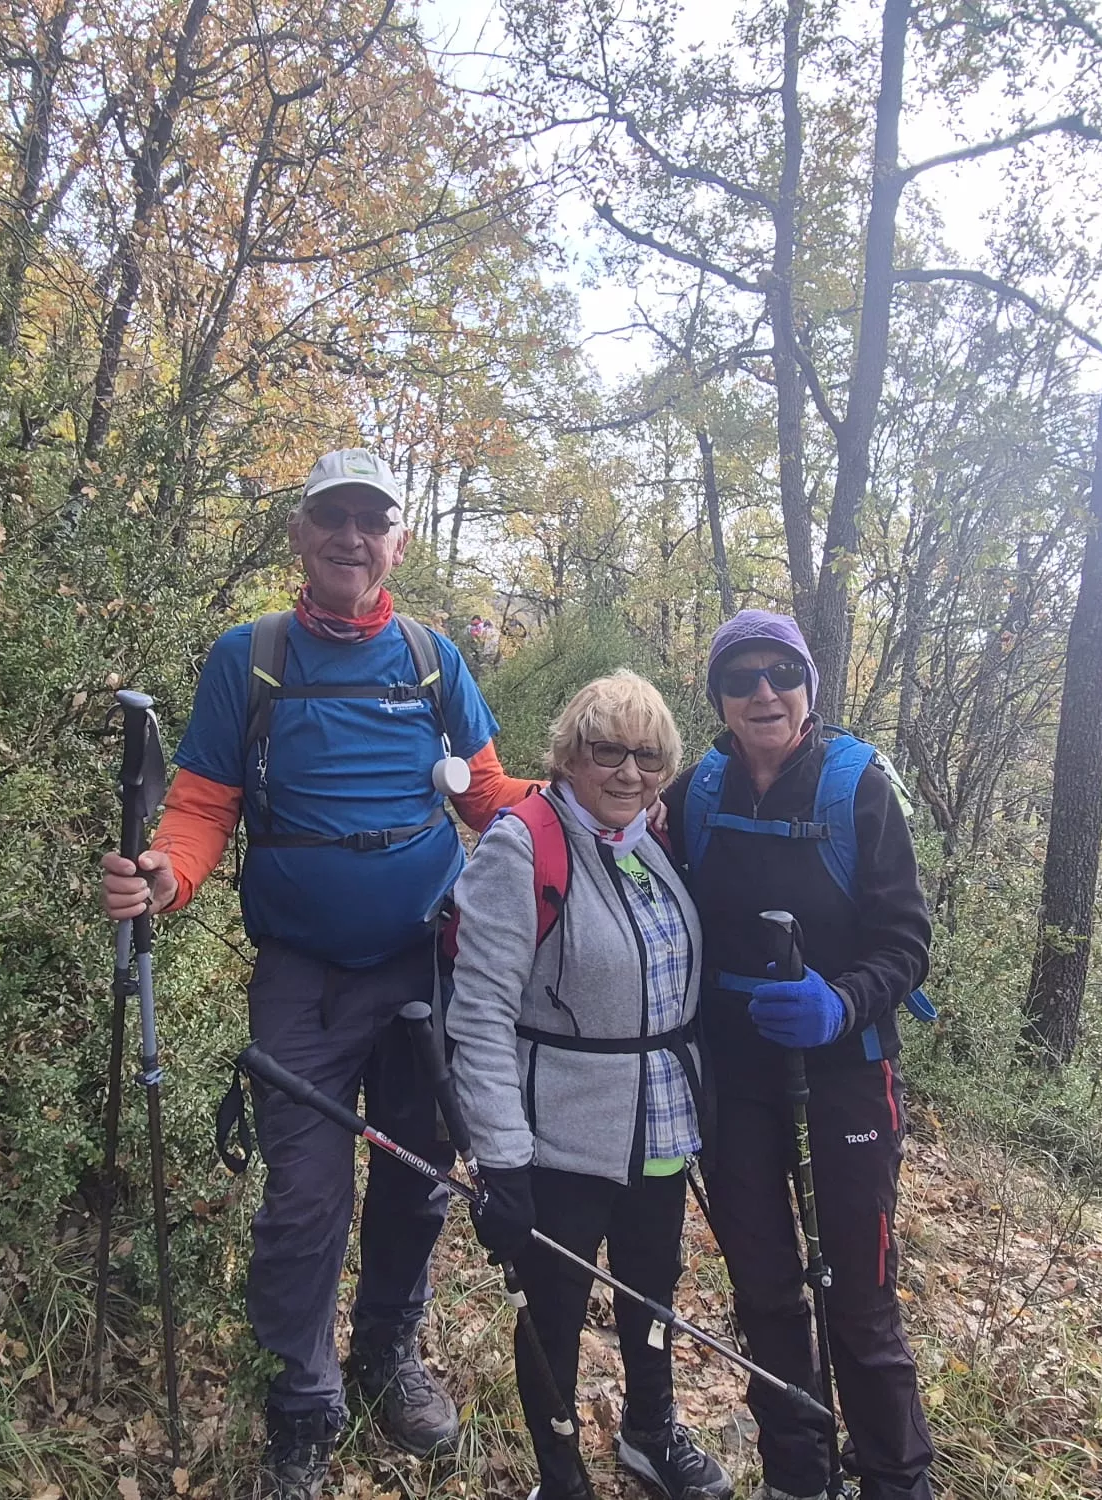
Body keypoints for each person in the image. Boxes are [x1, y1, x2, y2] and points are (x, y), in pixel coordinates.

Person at [100, 447, 538, 1500]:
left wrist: (605, 807)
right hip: (301, 976)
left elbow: (486, 798)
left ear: (397, 540)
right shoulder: (249, 658)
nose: (351, 537)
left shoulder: (433, 659)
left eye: (369, 520)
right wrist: (168, 875)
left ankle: (385, 1356)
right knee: (302, 1201)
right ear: (298, 535)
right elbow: (202, 805)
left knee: (416, 1183)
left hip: (423, 969)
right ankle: (300, 1401)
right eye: (331, 518)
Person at [661, 610, 936, 1500]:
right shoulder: (696, 793)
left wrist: (840, 1002)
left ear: (809, 686)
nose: (763, 692)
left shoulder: (857, 789)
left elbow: (905, 942)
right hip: (735, 1080)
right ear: (720, 699)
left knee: (858, 1302)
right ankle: (798, 1478)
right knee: (770, 1295)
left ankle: (898, 1481)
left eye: (780, 673)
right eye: (740, 679)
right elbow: (606, 827)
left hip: (848, 1073)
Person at [448, 671, 732, 1500]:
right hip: (558, 1134)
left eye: (648, 757)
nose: (628, 772)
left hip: (658, 1123)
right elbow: (480, 1015)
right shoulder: (521, 844)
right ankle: (559, 1474)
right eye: (607, 751)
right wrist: (500, 1158)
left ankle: (650, 1431)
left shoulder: (648, 841)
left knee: (651, 1286)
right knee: (556, 1313)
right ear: (571, 754)